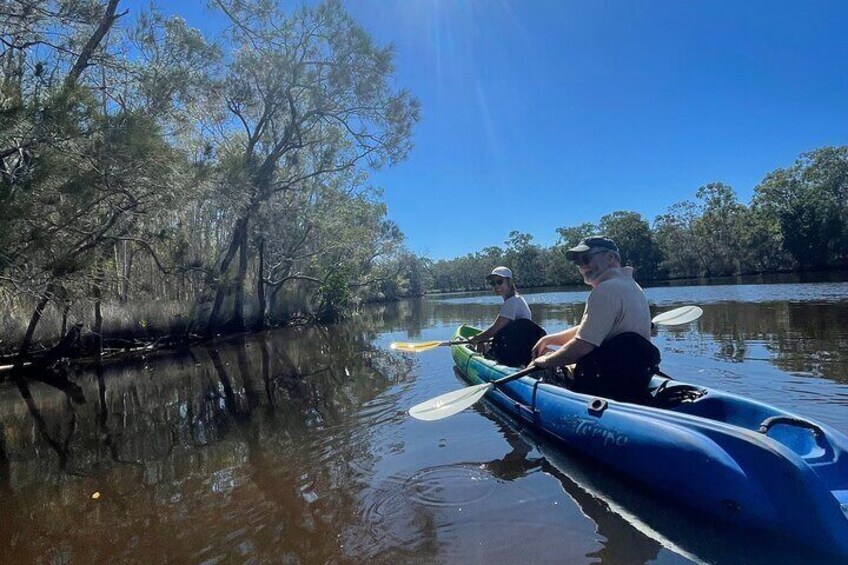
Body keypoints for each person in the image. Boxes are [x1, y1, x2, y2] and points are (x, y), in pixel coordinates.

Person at [531, 236, 658, 401]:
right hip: (636, 377)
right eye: (578, 262)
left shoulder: (604, 291)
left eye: (586, 258)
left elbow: (582, 346)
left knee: (548, 360)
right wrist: (549, 339)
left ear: (611, 257)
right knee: (550, 351)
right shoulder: (632, 286)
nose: (582, 266)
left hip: (605, 383)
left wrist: (544, 362)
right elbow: (592, 330)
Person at [468, 267, 544, 367]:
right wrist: (481, 338)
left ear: (509, 282)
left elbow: (493, 330)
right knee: (484, 341)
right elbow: (497, 328)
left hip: (515, 349)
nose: (496, 286)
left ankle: (481, 362)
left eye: (499, 282)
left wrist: (476, 339)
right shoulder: (517, 299)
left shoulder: (511, 302)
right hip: (519, 346)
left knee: (482, 342)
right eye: (492, 283)